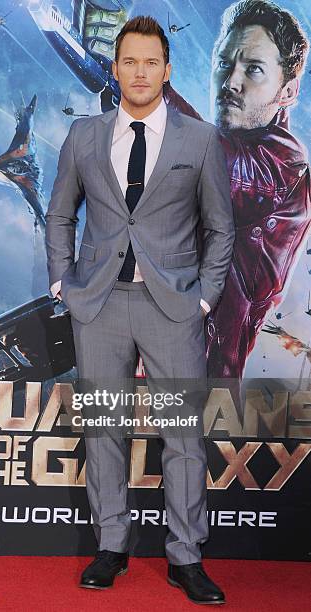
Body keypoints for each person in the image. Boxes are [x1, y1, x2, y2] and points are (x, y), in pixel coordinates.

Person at [45, 16, 234, 605]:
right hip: (98, 306)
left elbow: (219, 228)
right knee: (104, 428)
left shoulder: (199, 140)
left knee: (181, 435)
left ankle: (185, 556)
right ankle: (111, 546)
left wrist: (202, 297)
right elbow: (60, 216)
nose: (141, 72)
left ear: (167, 70)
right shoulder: (84, 136)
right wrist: (62, 284)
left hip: (173, 307)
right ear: (116, 67)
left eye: (152, 62)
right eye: (130, 61)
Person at [165, 0, 310, 379]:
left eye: (254, 69)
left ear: (288, 91)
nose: (231, 81)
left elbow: (217, 165)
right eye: (225, 63)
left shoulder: (285, 166)